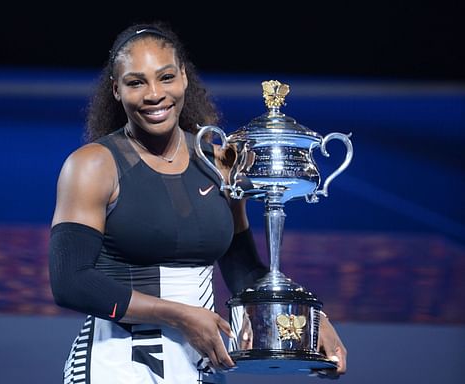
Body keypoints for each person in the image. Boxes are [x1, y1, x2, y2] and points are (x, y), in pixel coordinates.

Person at [48, 21, 347, 384]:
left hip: (198, 369)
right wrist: (179, 315)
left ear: (184, 78)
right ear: (116, 89)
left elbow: (242, 271)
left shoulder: (219, 161)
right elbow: (70, 282)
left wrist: (310, 325)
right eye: (136, 82)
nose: (154, 94)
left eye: (166, 77)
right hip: (115, 366)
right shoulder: (93, 165)